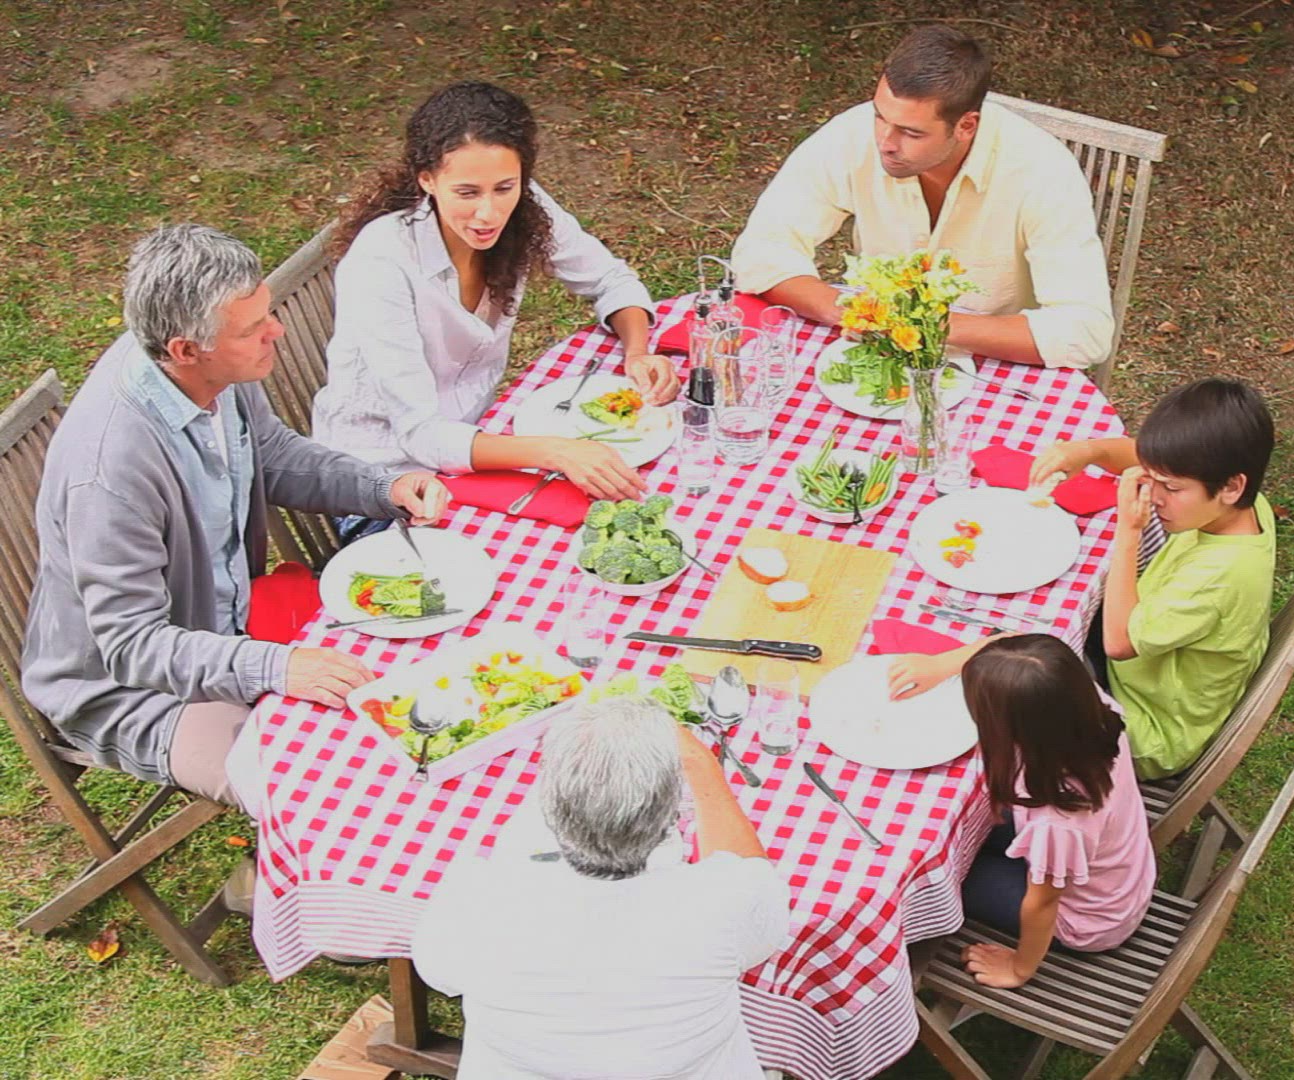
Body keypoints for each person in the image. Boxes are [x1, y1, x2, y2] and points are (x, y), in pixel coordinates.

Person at [22, 224, 449, 809]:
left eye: (267, 312)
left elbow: (268, 453)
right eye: (252, 329)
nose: (277, 330)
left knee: (419, 688)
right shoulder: (109, 474)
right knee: (322, 790)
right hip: (133, 693)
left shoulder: (208, 372)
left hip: (228, 633)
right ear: (184, 350)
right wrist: (275, 665)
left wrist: (383, 487)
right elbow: (132, 645)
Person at [311, 81, 677, 539]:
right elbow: (420, 433)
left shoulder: (523, 208)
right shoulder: (382, 263)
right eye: (467, 193)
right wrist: (557, 451)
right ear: (427, 180)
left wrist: (638, 352)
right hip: (388, 490)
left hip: (477, 447)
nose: (488, 213)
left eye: (505, 187)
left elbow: (609, 279)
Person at [893, 378, 1277, 779]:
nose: (1154, 495)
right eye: (1151, 478)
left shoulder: (1218, 577)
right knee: (1037, 614)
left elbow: (1119, 644)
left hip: (1139, 727)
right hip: (1146, 665)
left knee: (1003, 685)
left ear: (1231, 486)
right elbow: (1150, 459)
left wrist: (1129, 531)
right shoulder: (1240, 507)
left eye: (1171, 488)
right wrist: (1090, 451)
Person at [413, 696, 788, 1079]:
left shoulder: (477, 897)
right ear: (671, 815)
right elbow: (749, 873)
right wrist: (700, 764)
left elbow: (439, 974)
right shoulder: (724, 903)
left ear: (548, 809)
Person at [730, 26, 1114, 372]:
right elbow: (761, 249)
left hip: (995, 365)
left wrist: (921, 327)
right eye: (880, 116)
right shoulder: (852, 135)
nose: (885, 143)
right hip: (875, 354)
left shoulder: (1042, 171)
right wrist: (851, 312)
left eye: (911, 133)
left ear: (966, 126)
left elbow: (1085, 332)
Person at [889, 635, 1152, 988]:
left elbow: (1042, 904)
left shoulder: (1058, 820)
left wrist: (1018, 969)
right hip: (1116, 874)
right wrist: (941, 665)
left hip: (1086, 917)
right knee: (953, 837)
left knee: (933, 879)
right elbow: (1016, 645)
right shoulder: (1087, 707)